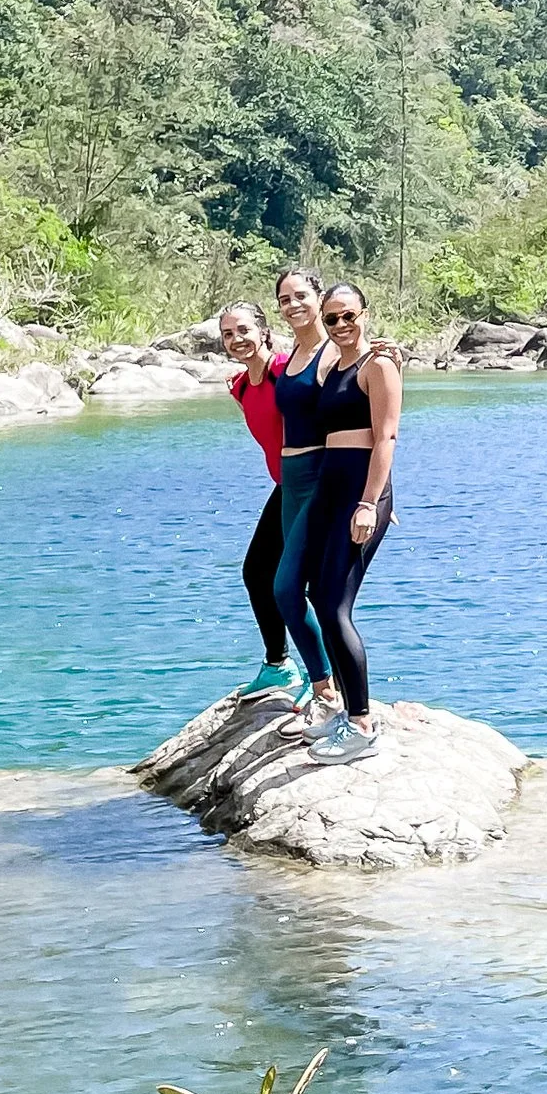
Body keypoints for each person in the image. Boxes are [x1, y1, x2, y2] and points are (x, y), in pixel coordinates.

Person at [299, 282, 402, 755]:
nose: (342, 325)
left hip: (359, 494)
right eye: (332, 318)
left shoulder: (378, 365)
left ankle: (361, 726)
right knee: (318, 596)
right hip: (329, 490)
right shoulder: (334, 366)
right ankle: (346, 709)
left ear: (365, 313)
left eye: (349, 316)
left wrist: (370, 502)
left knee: (337, 606)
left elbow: (386, 439)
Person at [264, 266, 345, 725]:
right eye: (284, 299)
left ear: (319, 297)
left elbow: (365, 397)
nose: (292, 305)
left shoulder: (334, 353)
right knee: (302, 589)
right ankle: (332, 688)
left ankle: (327, 691)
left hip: (319, 474)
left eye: (301, 296)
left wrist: (372, 491)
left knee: (287, 588)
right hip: (289, 480)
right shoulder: (291, 354)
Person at [218, 300, 305, 707]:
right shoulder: (240, 386)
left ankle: (324, 679)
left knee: (297, 584)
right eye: (228, 334)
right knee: (257, 573)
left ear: (265, 332)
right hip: (285, 487)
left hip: (311, 486)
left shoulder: (285, 370)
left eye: (244, 331)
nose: (237, 340)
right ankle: (278, 665)